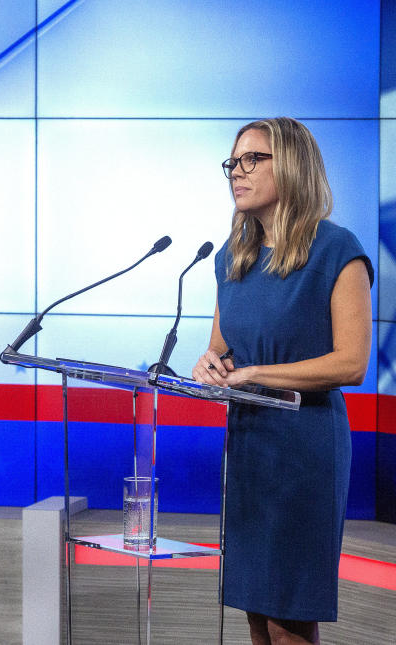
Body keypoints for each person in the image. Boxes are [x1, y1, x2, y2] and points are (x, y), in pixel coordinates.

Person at [191, 117, 372, 645]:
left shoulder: (338, 250)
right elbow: (221, 350)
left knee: (286, 614)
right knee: (254, 607)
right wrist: (210, 366)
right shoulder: (232, 259)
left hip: (305, 449)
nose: (237, 172)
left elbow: (351, 363)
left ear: (291, 166)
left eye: (253, 159)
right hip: (248, 448)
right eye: (233, 162)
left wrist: (255, 373)